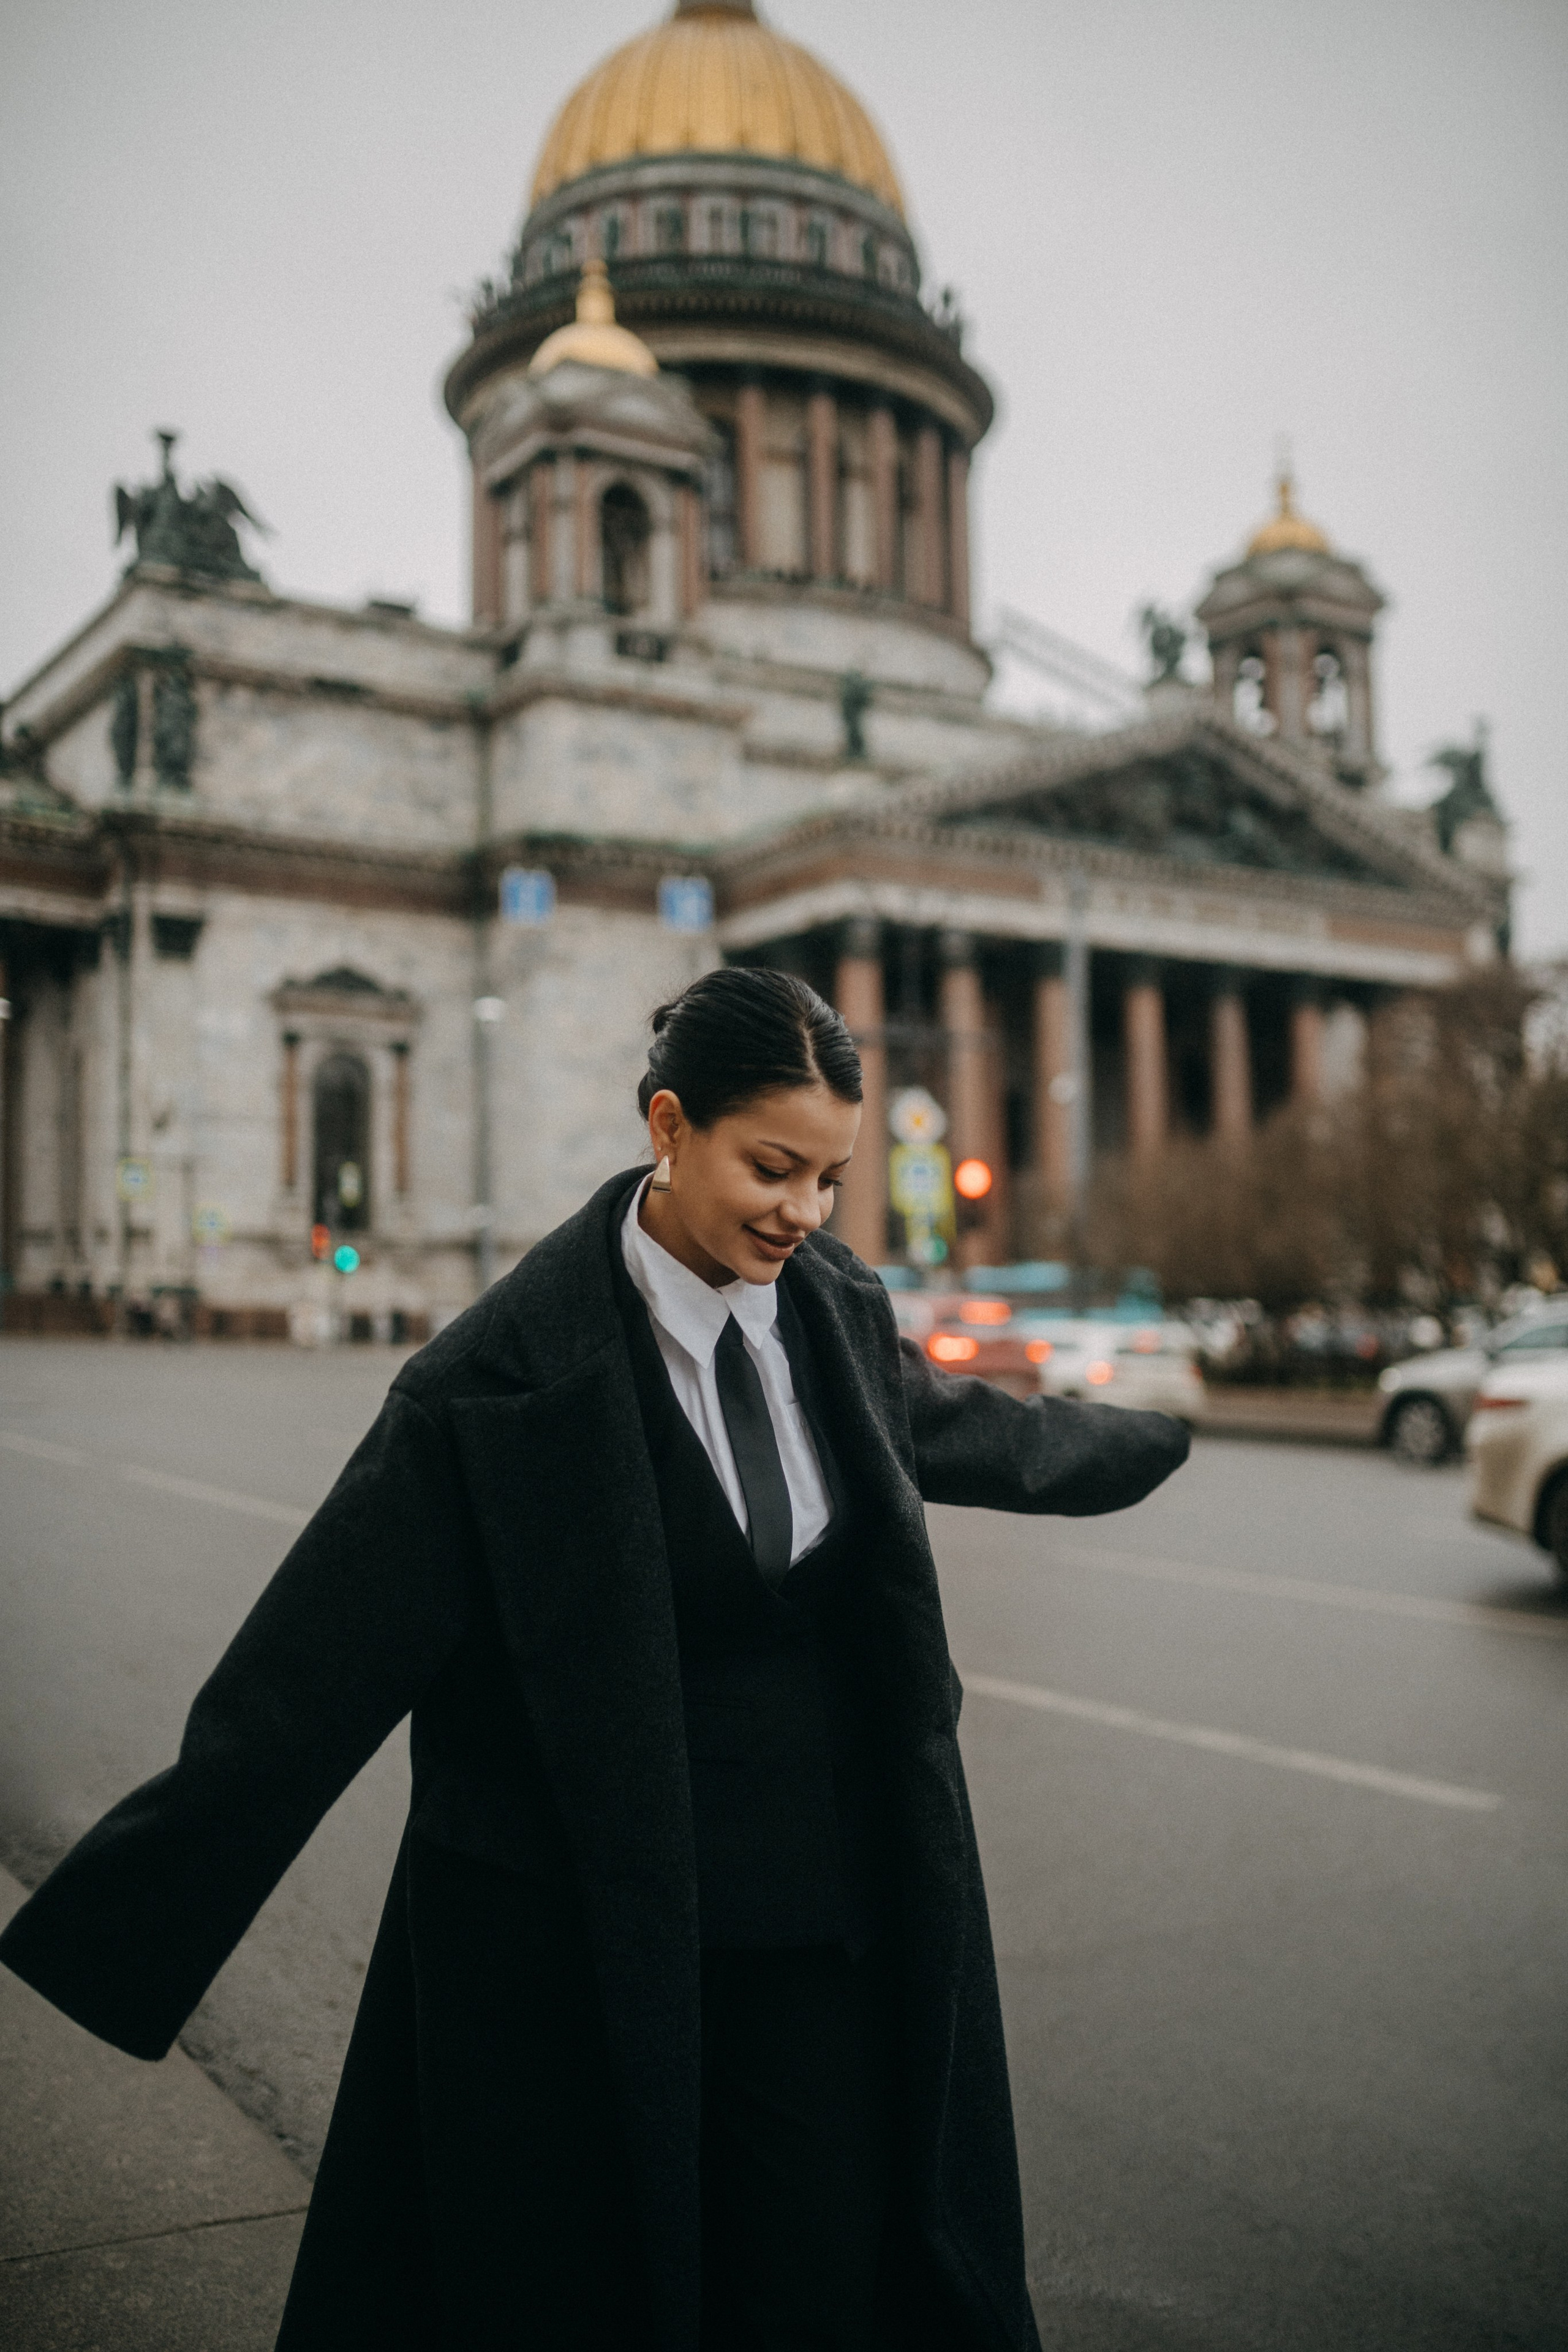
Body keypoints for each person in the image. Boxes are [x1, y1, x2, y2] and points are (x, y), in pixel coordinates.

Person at [0, 967, 1189, 2351]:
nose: (803, 1213)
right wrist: (119, 1923)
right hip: (590, 1938)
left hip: (823, 1913)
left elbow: (965, 1429)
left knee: (820, 2275)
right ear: (669, 1128)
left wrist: (1146, 1441)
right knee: (596, 2291)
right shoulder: (496, 1381)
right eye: (772, 1169)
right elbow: (304, 1678)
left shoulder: (834, 1307)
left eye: (829, 1179)